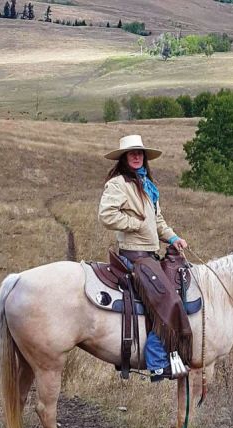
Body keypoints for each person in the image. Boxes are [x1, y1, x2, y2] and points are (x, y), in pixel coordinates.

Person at [98, 134, 191, 382]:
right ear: (125, 158)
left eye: (140, 153)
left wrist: (173, 239)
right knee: (168, 299)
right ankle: (158, 361)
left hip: (150, 254)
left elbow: (158, 222)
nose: (137, 156)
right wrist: (135, 224)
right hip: (134, 256)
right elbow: (106, 215)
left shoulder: (148, 186)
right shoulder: (119, 184)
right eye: (132, 153)